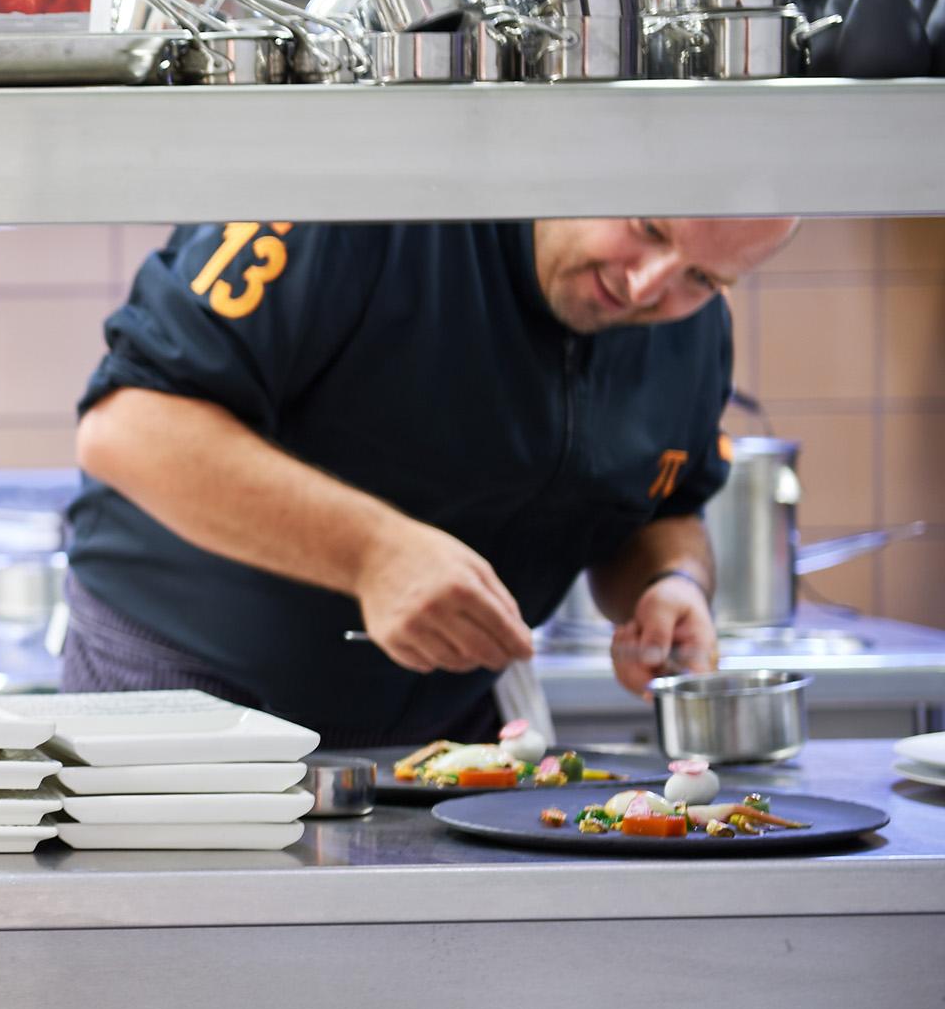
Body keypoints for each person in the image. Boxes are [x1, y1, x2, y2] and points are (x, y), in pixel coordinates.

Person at [64, 216, 798, 748]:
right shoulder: (361, 211)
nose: (646, 288)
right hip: (186, 690)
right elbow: (128, 426)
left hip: (444, 729)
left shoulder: (693, 332)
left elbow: (661, 505)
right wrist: (373, 553)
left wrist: (668, 586)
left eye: (703, 278)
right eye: (648, 229)